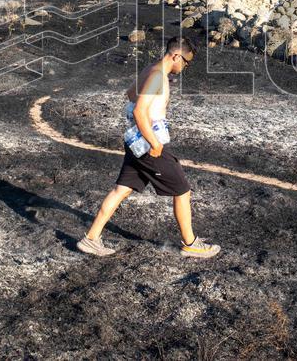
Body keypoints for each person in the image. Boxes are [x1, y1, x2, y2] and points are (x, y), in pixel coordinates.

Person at [76, 36, 221, 259]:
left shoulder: (150, 70)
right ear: (175, 56)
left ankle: (91, 239)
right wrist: (154, 142)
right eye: (186, 62)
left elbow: (130, 94)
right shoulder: (157, 76)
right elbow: (138, 111)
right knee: (182, 190)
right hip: (148, 144)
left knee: (121, 189)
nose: (185, 67)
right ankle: (191, 244)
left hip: (135, 142)